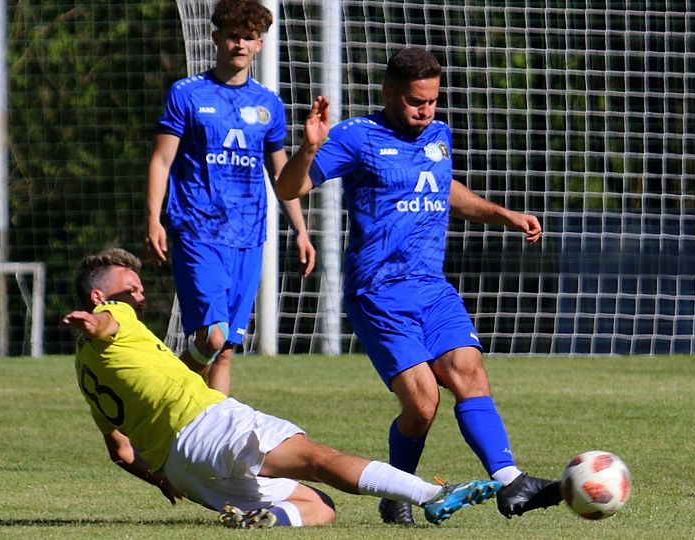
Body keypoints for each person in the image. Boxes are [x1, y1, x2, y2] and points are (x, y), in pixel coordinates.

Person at [275, 47, 561, 525]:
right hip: (378, 293)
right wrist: (308, 148)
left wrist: (503, 215)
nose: (425, 111)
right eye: (414, 101)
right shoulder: (355, 137)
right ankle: (398, 492)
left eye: (432, 101)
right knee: (424, 403)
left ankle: (511, 481)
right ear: (388, 92)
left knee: (469, 369)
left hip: (431, 286)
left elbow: (442, 187)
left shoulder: (439, 134)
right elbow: (288, 189)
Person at [63, 248, 500, 529]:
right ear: (101, 298)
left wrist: (161, 480)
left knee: (319, 507)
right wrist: (92, 320)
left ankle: (261, 522)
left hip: (183, 470)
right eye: (130, 289)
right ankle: (432, 494)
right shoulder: (115, 316)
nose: (139, 297)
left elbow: (121, 450)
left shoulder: (86, 370)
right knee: (318, 458)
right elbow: (106, 323)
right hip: (208, 426)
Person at [145, 0, 315, 395]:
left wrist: (301, 231)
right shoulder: (187, 94)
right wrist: (153, 218)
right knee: (212, 337)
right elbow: (161, 159)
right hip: (197, 231)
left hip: (248, 235)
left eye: (249, 38)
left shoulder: (268, 104)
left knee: (224, 351)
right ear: (217, 38)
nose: (240, 45)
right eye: (233, 36)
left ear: (260, 44)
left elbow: (282, 175)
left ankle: (213, 432)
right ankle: (157, 396)